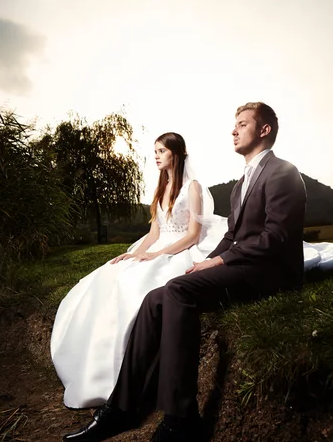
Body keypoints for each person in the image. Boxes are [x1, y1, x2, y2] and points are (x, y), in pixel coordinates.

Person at [61, 101, 308, 442]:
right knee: (156, 297)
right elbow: (233, 235)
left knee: (176, 291)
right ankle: (121, 408)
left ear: (265, 130)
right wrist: (213, 258)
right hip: (244, 264)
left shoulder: (283, 173)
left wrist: (222, 261)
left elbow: (277, 237)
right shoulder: (243, 180)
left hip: (269, 273)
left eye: (242, 124)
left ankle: (180, 424)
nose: (233, 130)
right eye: (234, 124)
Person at [51, 132, 225, 409]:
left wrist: (158, 255)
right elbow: (154, 232)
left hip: (180, 247)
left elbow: (193, 234)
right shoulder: (160, 188)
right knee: (109, 273)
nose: (155, 155)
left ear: (176, 154)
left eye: (161, 150)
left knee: (135, 282)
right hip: (159, 244)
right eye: (154, 150)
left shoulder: (192, 187)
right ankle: (86, 363)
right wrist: (134, 253)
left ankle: (120, 374)